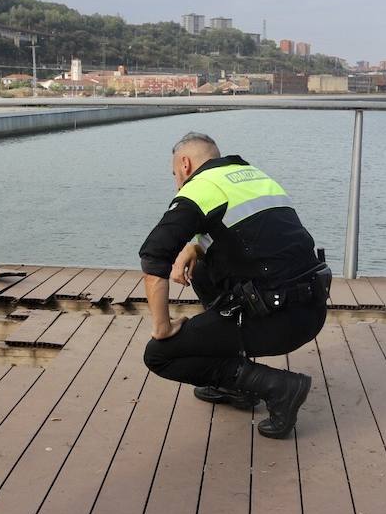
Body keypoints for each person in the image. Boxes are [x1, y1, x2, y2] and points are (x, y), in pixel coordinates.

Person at [139, 131, 330, 438]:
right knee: (201, 270)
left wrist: (162, 327)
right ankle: (239, 388)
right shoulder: (251, 175)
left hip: (274, 319)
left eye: (174, 174)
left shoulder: (200, 188)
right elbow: (245, 231)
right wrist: (196, 246)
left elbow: (153, 256)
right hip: (311, 309)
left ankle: (279, 387)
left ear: (184, 164)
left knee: (159, 354)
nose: (176, 181)